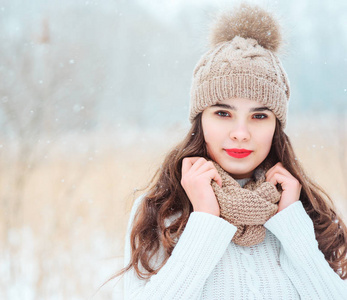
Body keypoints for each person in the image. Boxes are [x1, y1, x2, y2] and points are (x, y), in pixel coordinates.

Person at [121, 3, 347, 299]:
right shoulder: (160, 213)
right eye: (223, 114)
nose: (241, 133)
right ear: (200, 120)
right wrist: (205, 221)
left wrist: (291, 223)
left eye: (259, 116)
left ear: (276, 126)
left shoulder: (306, 212)